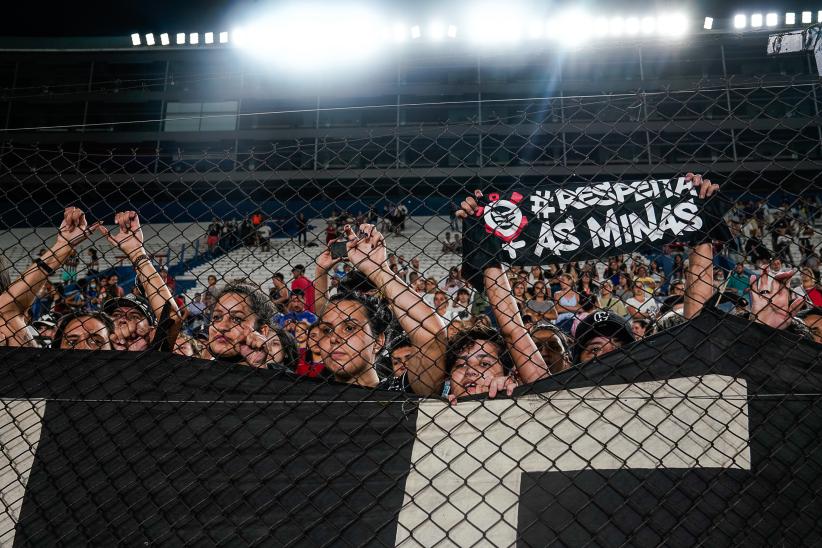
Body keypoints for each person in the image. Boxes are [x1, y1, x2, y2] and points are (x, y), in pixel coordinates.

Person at [315, 224, 446, 395]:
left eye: (349, 328)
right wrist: (320, 271)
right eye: (327, 330)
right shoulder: (309, 394)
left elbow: (432, 338)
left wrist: (377, 270)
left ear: (378, 341)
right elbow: (325, 315)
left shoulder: (399, 391)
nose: (333, 338)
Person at [97, 211, 182, 351]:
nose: (123, 320)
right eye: (116, 315)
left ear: (152, 330)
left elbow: (171, 318)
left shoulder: (155, 359)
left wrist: (136, 252)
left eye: (135, 316)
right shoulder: (91, 352)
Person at [208, 281, 299, 369]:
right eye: (217, 317)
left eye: (237, 319)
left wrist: (258, 368)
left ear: (262, 331)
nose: (222, 327)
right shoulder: (197, 368)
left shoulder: (283, 377)